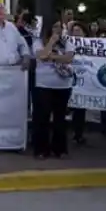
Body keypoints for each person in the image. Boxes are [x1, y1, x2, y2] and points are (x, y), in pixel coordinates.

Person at [32, 21, 75, 158]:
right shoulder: (38, 41)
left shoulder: (67, 42)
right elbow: (42, 56)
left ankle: (60, 149)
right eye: (55, 26)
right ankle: (41, 149)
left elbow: (68, 58)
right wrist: (51, 42)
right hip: (44, 84)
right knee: (42, 117)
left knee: (60, 118)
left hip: (63, 85)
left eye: (60, 27)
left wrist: (53, 57)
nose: (58, 29)